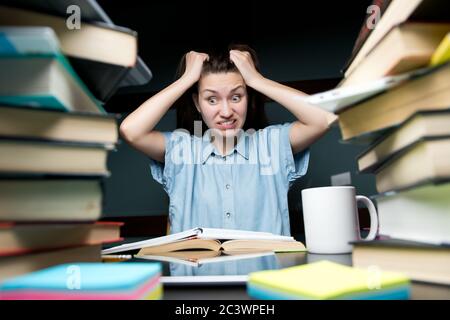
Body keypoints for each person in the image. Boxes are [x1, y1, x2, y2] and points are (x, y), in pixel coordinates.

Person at [120, 44, 337, 236]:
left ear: (247, 97)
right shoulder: (181, 150)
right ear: (197, 103)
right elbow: (131, 131)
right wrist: (186, 80)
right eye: (211, 99)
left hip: (263, 282)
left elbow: (323, 118)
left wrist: (256, 80)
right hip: (196, 282)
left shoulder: (271, 145)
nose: (226, 111)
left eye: (236, 97)